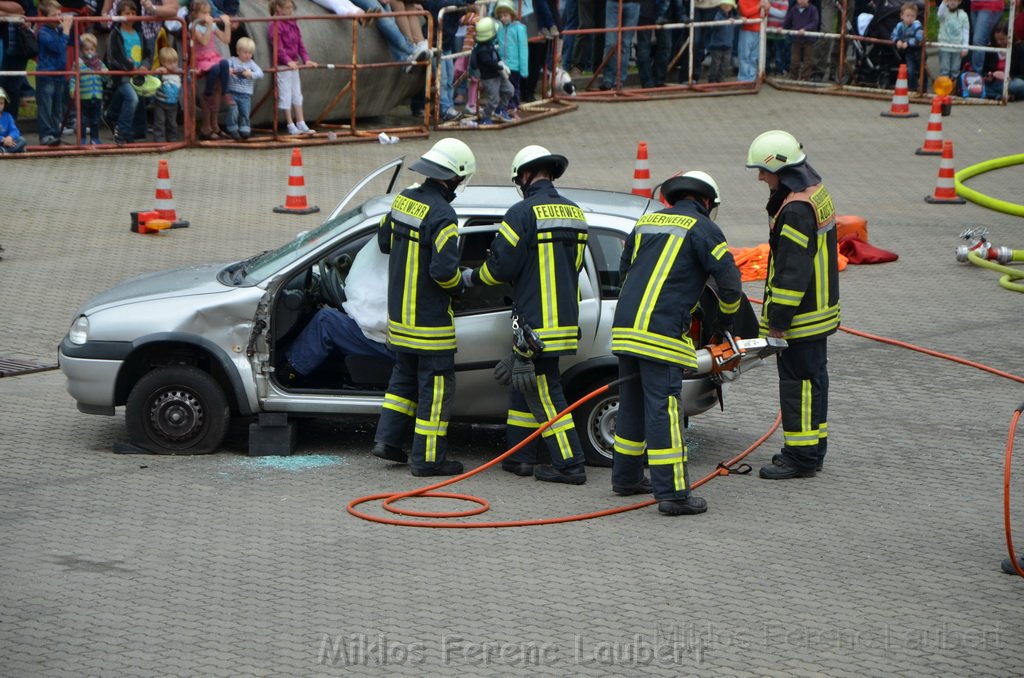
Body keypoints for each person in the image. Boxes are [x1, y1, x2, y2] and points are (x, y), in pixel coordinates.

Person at [611, 171, 742, 515]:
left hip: (626, 328)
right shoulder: (704, 228)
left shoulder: (647, 222)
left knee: (631, 404)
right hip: (660, 332)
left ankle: (625, 479)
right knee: (664, 408)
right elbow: (730, 283)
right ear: (707, 201)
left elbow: (625, 270)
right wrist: (724, 320)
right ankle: (673, 495)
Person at [462, 145, 590, 485]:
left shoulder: (521, 213)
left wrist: (471, 278)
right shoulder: (575, 213)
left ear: (525, 176)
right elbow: (574, 267)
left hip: (536, 324)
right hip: (564, 320)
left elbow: (499, 268)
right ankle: (520, 456)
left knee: (545, 393)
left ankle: (570, 464)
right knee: (524, 387)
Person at [371, 138, 476, 477]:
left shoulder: (404, 200)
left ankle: (387, 441)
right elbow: (444, 273)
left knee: (402, 382)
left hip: (399, 319)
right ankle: (428, 460)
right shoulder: (444, 215)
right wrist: (462, 285)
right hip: (430, 325)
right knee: (435, 393)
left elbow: (384, 241)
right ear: (455, 178)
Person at [745, 130, 839, 479]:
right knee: (815, 382)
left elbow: (792, 270)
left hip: (801, 317)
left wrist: (777, 319)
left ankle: (799, 458)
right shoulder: (815, 193)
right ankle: (814, 450)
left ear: (780, 169)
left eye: (763, 171)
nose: (760, 177)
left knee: (798, 384)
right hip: (821, 310)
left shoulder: (796, 209)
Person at [280, 240, 394, 383]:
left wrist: (352, 306)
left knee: (326, 321)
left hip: (393, 350)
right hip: (400, 346)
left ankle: (285, 378)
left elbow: (374, 317)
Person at [105, 0, 152, 146]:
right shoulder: (115, 33)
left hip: (138, 76)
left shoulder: (139, 33)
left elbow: (147, 54)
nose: (131, 16)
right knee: (132, 99)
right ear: (119, 15)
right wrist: (130, 67)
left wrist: (144, 66)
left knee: (129, 99)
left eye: (133, 13)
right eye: (127, 13)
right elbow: (114, 57)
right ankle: (122, 132)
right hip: (122, 76)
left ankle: (111, 116)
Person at [268, 0, 318, 136]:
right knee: (286, 94)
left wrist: (306, 59)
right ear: (278, 8)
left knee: (297, 93)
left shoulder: (293, 23)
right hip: (283, 65)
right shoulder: (274, 25)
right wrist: (287, 61)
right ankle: (290, 124)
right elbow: (278, 47)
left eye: (292, 8)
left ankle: (301, 122)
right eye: (288, 8)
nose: (291, 11)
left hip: (294, 63)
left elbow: (300, 43)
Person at [191, 0, 232, 140]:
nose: (208, 15)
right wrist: (209, 26)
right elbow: (203, 41)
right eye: (204, 13)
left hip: (213, 57)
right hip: (201, 60)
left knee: (223, 68)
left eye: (209, 13)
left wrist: (227, 24)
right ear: (195, 14)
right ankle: (206, 126)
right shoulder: (194, 26)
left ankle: (216, 124)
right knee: (214, 71)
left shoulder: (212, 25)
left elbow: (226, 39)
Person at [35, 1, 72, 146]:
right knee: (46, 106)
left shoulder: (58, 30)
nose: (58, 17)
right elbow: (58, 47)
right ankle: (45, 135)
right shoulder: (43, 32)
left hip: (59, 74)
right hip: (46, 74)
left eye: (59, 14)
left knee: (57, 107)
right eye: (54, 15)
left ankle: (55, 134)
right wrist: (67, 31)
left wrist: (65, 29)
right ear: (44, 17)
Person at [469, 16, 514, 125]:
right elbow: (489, 63)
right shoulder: (481, 51)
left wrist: (501, 63)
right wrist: (500, 67)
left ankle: (501, 109)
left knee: (509, 90)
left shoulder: (489, 45)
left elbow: (496, 57)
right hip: (490, 79)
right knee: (493, 100)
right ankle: (486, 117)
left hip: (498, 75)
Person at [225, 37, 264, 139]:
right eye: (245, 52)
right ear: (238, 51)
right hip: (232, 92)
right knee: (233, 110)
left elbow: (260, 73)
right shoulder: (232, 60)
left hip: (245, 95)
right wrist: (229, 70)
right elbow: (225, 67)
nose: (248, 55)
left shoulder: (251, 64)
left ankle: (244, 128)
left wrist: (250, 74)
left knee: (244, 112)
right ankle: (232, 127)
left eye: (250, 53)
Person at [494, 0, 527, 115]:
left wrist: (524, 68)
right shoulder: (500, 29)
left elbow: (523, 49)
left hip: (515, 65)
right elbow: (495, 43)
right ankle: (505, 106)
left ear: (512, 15)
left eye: (505, 15)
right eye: (501, 16)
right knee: (504, 87)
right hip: (504, 65)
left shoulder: (519, 28)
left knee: (514, 87)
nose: (503, 18)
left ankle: (513, 106)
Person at [74, 33, 107, 145]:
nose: (89, 52)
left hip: (96, 95)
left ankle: (95, 138)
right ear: (82, 50)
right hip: (84, 96)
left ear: (95, 50)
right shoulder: (79, 63)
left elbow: (106, 77)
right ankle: (82, 138)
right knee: (82, 120)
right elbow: (73, 78)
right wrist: (72, 90)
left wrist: (105, 73)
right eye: (86, 49)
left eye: (92, 49)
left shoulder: (99, 63)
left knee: (95, 120)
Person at [600, 0, 641, 90]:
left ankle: (619, 80)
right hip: (613, 2)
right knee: (611, 42)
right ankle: (608, 78)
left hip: (633, 3)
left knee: (625, 43)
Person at [981, 21, 1024, 101]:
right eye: (996, 39)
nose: (999, 42)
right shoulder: (990, 49)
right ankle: (1001, 96)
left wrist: (1007, 76)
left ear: (1010, 37)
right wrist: (989, 75)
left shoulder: (1020, 48)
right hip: (995, 82)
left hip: (1012, 82)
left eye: (1002, 39)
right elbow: (984, 71)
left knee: (1018, 85)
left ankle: (995, 95)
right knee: (978, 85)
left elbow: (1022, 75)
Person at [152, 46, 181, 142]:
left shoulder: (179, 72)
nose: (173, 65)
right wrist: (157, 72)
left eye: (175, 62)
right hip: (160, 102)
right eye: (170, 63)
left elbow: (187, 79)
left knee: (172, 122)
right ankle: (159, 140)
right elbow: (153, 80)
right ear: (163, 63)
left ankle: (172, 139)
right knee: (159, 122)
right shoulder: (161, 72)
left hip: (173, 103)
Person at [890, 2, 922, 89]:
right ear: (902, 16)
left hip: (919, 52)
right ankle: (912, 88)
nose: (910, 18)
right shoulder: (899, 26)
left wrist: (908, 43)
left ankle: (923, 88)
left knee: (922, 71)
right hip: (909, 53)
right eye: (907, 15)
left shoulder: (917, 25)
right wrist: (897, 40)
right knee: (911, 71)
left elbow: (919, 38)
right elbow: (893, 35)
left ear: (915, 17)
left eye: (912, 16)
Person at [969, 0, 1006, 76]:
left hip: (990, 4)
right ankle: (987, 74)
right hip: (975, 4)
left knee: (978, 41)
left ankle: (976, 76)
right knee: (982, 42)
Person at [783, 0, 817, 81]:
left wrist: (806, 29)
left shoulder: (813, 9)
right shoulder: (794, 9)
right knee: (795, 60)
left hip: (809, 39)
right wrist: (782, 28)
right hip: (796, 39)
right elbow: (788, 20)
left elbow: (815, 22)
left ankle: (805, 77)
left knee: (808, 60)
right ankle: (793, 76)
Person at [706, 0, 738, 83]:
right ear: (721, 5)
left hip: (728, 45)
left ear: (732, 7)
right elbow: (715, 25)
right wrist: (725, 22)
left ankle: (721, 79)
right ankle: (712, 79)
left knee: (725, 64)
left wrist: (741, 19)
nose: (726, 7)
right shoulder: (718, 14)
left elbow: (738, 22)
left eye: (729, 5)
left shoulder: (733, 17)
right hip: (717, 45)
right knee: (715, 64)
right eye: (724, 5)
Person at [936, 0, 968, 80]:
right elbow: (939, 14)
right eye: (950, 0)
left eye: (955, 0)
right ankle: (944, 89)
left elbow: (966, 31)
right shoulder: (943, 12)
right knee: (944, 70)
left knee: (955, 70)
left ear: (959, 2)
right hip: (944, 46)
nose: (952, 2)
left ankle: (954, 88)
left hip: (957, 47)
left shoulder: (963, 15)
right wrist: (943, 3)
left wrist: (965, 47)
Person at [765, 0, 790, 76]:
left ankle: (780, 70)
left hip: (779, 34)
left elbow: (782, 14)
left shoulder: (784, 1)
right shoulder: (768, 1)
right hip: (768, 32)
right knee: (767, 54)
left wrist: (769, 9)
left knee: (779, 55)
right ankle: (766, 70)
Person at [0, 85, 27, 153]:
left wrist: (10, 137)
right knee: (20, 147)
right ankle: (15, 150)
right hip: (2, 140)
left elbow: (15, 131)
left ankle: (4, 150)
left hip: (8, 142)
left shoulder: (8, 116)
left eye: (1, 103)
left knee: (22, 140)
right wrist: (2, 139)